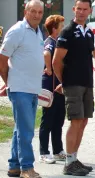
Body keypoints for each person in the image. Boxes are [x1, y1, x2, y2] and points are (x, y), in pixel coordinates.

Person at [0, 0, 44, 177]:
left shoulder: (38, 31)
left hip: (33, 88)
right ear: (25, 12)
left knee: (21, 128)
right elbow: (2, 59)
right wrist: (9, 81)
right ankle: (27, 168)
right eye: (33, 11)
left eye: (40, 12)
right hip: (20, 88)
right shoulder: (18, 30)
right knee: (26, 131)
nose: (36, 15)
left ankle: (14, 166)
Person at [52, 0, 94, 176]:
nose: (82, 12)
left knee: (83, 122)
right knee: (75, 121)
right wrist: (66, 82)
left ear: (90, 11)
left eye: (85, 9)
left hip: (87, 83)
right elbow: (56, 61)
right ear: (74, 9)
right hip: (73, 84)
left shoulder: (89, 32)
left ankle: (74, 159)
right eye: (79, 9)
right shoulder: (67, 31)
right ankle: (69, 162)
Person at [39, 15, 66, 164]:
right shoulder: (50, 42)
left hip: (60, 89)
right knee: (47, 120)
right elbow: (46, 53)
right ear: (54, 29)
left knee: (59, 119)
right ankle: (44, 152)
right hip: (50, 87)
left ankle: (58, 150)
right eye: (61, 26)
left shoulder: (59, 42)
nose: (63, 29)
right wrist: (49, 68)